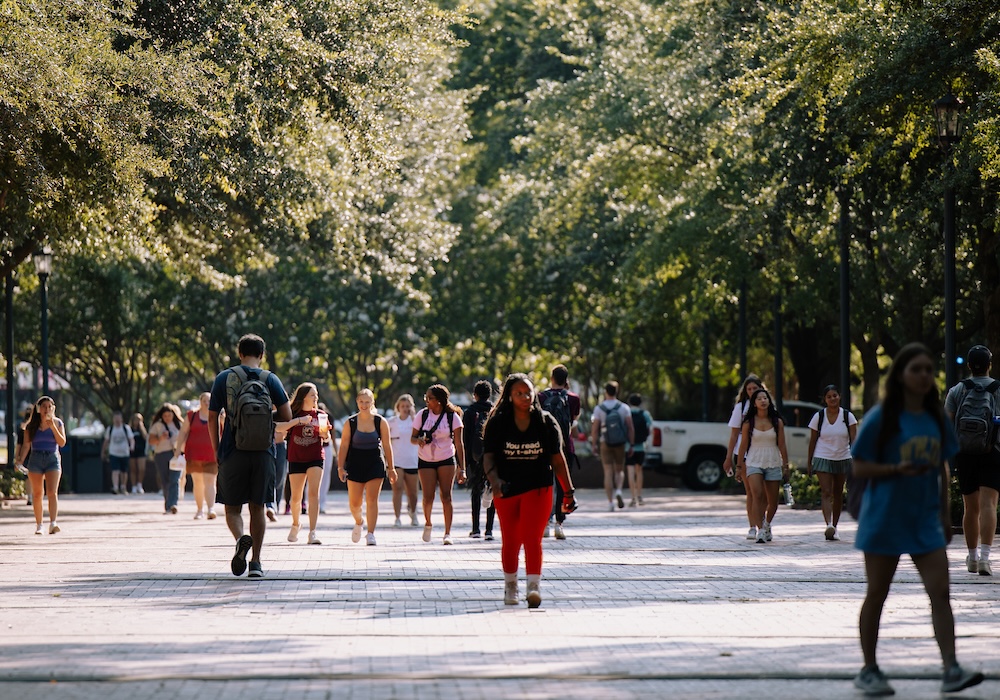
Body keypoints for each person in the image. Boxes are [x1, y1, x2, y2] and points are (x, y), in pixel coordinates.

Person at [850, 342, 984, 696]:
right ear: (901, 375)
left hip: (924, 520)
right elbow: (859, 465)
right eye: (917, 369)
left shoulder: (936, 418)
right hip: (884, 519)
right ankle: (869, 669)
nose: (924, 375)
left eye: (929, 369)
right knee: (877, 593)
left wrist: (943, 513)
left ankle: (951, 668)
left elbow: (942, 468)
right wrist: (895, 468)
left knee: (941, 592)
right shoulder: (882, 417)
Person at [482, 373, 577, 607]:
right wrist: (494, 482)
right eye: (519, 393)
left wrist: (568, 492)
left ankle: (533, 587)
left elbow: (557, 459)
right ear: (510, 397)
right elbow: (489, 458)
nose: (525, 397)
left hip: (538, 488)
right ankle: (510, 587)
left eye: (528, 392)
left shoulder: (545, 422)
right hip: (507, 489)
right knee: (511, 540)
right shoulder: (498, 422)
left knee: (533, 539)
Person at [209, 333, 292, 578]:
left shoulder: (224, 378)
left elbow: (212, 417)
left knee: (233, 508)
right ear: (262, 354)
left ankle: (240, 538)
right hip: (264, 452)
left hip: (232, 451)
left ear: (239, 353)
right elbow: (286, 416)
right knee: (258, 507)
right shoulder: (270, 379)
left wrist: (217, 450)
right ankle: (256, 563)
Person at [944, 344, 1000, 577]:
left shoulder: (957, 390)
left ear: (969, 366)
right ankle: (986, 558)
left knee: (970, 506)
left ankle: (973, 557)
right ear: (989, 365)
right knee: (989, 504)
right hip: (993, 451)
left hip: (965, 453)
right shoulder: (998, 389)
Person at [337, 389, 397, 545]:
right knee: (354, 503)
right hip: (355, 463)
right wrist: (340, 467)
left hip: (374, 462)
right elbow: (343, 446)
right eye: (361, 401)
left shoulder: (380, 421)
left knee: (372, 499)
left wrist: (392, 468)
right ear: (357, 402)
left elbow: (387, 446)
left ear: (372, 403)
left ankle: (371, 533)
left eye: (367, 401)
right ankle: (359, 521)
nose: (364, 405)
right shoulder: (350, 422)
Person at [412, 384, 466, 545]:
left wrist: (462, 468)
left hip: (446, 458)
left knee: (446, 496)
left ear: (439, 401)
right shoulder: (422, 415)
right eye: (426, 398)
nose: (427, 401)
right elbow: (412, 438)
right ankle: (428, 523)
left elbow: (459, 444)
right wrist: (419, 440)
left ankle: (447, 533)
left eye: (430, 398)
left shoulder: (452, 417)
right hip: (426, 459)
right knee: (428, 497)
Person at [806, 384, 858, 542]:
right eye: (829, 397)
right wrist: (810, 462)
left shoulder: (848, 416)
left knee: (837, 493)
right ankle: (828, 524)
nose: (832, 399)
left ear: (839, 396)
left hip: (842, 457)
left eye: (835, 395)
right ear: (825, 399)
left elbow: (854, 441)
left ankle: (835, 526)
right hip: (823, 457)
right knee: (826, 492)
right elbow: (813, 441)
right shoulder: (819, 417)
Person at [738, 388, 789, 544]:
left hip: (773, 461)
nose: (763, 401)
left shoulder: (777, 421)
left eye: (765, 398)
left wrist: (786, 465)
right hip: (754, 461)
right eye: (759, 398)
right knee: (757, 495)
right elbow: (743, 445)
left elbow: (782, 444)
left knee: (772, 501)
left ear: (769, 401)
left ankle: (767, 524)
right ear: (754, 403)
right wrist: (739, 466)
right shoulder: (749, 422)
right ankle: (760, 530)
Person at [284, 383, 331, 545]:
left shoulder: (321, 415)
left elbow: (327, 437)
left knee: (313, 494)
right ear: (303, 397)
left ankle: (312, 532)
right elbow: (280, 429)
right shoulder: (292, 413)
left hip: (316, 457)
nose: (316, 397)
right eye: (312, 394)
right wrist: (298, 421)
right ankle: (296, 524)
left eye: (316, 394)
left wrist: (325, 434)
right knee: (295, 498)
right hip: (296, 457)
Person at [538, 365, 581, 539]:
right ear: (566, 379)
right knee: (563, 485)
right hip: (566, 446)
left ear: (551, 377)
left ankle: (545, 524)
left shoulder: (541, 396)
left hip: (545, 447)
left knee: (546, 486)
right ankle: (559, 524)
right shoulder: (573, 398)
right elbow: (573, 421)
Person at [14, 396, 66, 535]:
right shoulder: (31, 426)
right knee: (37, 494)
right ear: (38, 409)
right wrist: (19, 460)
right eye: (44, 407)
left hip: (52, 458)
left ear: (53, 408)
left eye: (49, 407)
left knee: (52, 492)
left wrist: (52, 426)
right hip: (36, 458)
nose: (46, 410)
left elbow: (61, 443)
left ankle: (53, 523)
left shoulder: (58, 423)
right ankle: (39, 525)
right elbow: (26, 446)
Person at [724, 375, 764, 540]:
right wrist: (729, 458)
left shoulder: (766, 405)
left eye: (755, 388)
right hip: (745, 453)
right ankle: (752, 526)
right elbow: (734, 435)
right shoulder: (741, 408)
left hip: (764, 452)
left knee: (764, 494)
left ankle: (764, 524)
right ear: (745, 392)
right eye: (749, 389)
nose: (752, 391)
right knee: (752, 492)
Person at [174, 392, 220, 520]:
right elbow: (183, 432)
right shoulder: (192, 415)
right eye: (204, 400)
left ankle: (211, 509)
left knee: (210, 482)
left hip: (212, 454)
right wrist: (178, 450)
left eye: (209, 400)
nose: (207, 403)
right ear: (200, 402)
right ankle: (200, 510)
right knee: (198, 482)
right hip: (194, 454)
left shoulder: (218, 416)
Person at [590, 381, 634, 512]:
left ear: (606, 391)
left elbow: (595, 429)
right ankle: (619, 490)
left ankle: (610, 503)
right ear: (617, 391)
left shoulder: (599, 408)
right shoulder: (624, 408)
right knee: (619, 470)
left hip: (605, 442)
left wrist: (593, 444)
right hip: (620, 443)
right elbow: (630, 427)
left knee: (608, 472)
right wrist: (631, 444)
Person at [464, 379, 496, 539]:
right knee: (492, 488)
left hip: (475, 457)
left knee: (476, 491)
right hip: (494, 457)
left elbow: (466, 438)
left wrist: (466, 460)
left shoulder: (470, 412)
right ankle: (489, 530)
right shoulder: (495, 410)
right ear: (489, 395)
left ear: (475, 395)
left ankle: (475, 529)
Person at [387, 394, 420, 527]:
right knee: (397, 489)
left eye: (408, 406)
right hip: (397, 460)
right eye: (403, 406)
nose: (405, 409)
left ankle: (413, 512)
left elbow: (421, 434)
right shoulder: (392, 421)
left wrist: (413, 417)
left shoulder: (416, 421)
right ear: (398, 407)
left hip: (412, 460)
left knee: (413, 491)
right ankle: (397, 517)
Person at [148, 403, 184, 514]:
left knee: (175, 479)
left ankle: (173, 504)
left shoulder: (180, 424)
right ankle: (168, 505)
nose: (167, 418)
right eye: (165, 416)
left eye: (169, 415)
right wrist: (160, 438)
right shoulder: (157, 426)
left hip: (176, 454)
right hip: (161, 454)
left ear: (173, 414)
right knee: (165, 480)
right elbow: (151, 441)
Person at [625, 393, 652, 508]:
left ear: (630, 402)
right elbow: (650, 428)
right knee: (639, 471)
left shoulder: (627, 413)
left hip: (629, 447)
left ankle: (632, 498)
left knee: (630, 471)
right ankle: (640, 496)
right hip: (641, 446)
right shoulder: (645, 414)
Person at [102, 410, 135, 495]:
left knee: (124, 471)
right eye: (115, 418)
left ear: (121, 419)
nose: (117, 420)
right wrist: (103, 451)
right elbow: (106, 440)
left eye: (118, 418)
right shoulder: (110, 429)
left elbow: (131, 439)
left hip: (125, 453)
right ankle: (115, 487)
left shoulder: (126, 428)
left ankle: (123, 487)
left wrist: (132, 446)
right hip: (114, 453)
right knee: (115, 471)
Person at [129, 413, 149, 494]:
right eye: (135, 420)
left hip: (141, 451)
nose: (137, 422)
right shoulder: (129, 429)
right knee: (133, 469)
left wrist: (142, 428)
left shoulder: (142, 430)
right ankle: (133, 486)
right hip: (132, 451)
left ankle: (139, 485)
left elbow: (146, 438)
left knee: (141, 469)